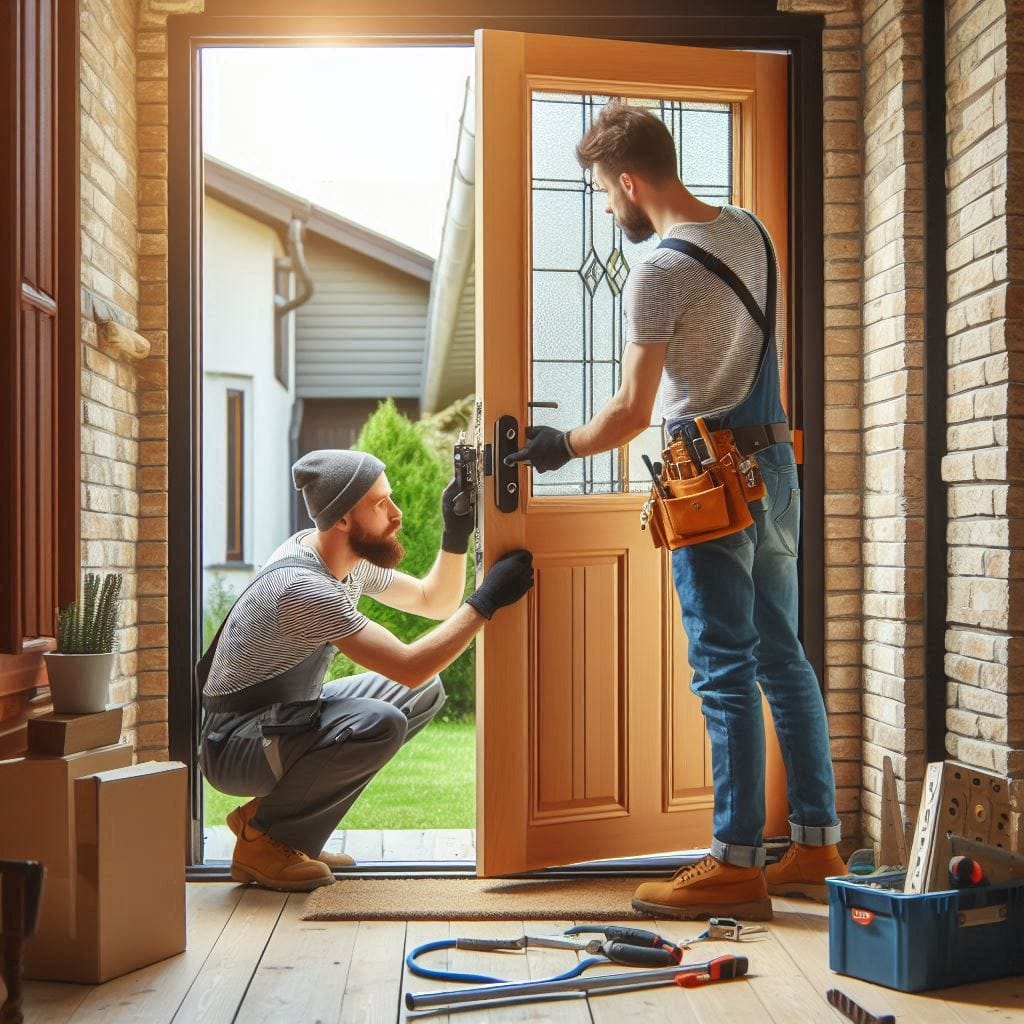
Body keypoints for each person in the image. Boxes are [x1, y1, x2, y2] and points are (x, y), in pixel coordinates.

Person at [507, 101, 843, 920]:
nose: (605, 206)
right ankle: (815, 842)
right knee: (783, 657)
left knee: (724, 667)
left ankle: (734, 861)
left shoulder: (659, 268)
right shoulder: (751, 230)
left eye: (602, 192)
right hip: (774, 464)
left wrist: (559, 446)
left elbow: (630, 410)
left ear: (627, 180)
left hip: (709, 482)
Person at [198, 448, 533, 892]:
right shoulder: (305, 587)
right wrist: (487, 601)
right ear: (341, 519)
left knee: (424, 691)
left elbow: (433, 602)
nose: (395, 514)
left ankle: (288, 833)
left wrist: (455, 534)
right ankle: (264, 842)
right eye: (380, 504)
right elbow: (408, 664)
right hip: (234, 745)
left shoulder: (341, 558)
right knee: (380, 722)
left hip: (277, 721)